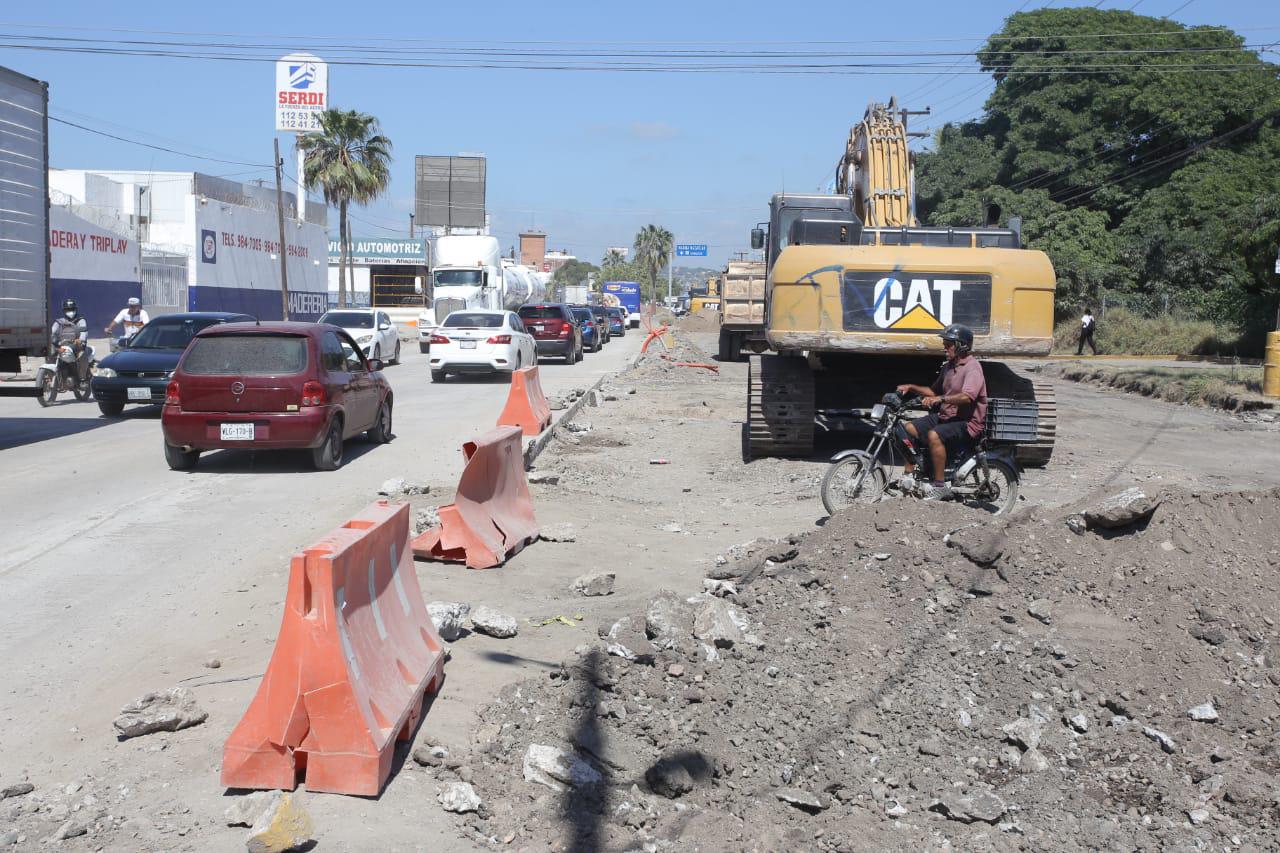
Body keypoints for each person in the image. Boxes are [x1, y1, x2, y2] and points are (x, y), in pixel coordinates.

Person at [895, 324, 988, 500]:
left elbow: (968, 397)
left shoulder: (972, 368)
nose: (944, 347)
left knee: (934, 435)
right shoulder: (948, 367)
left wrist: (941, 399)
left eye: (948, 344)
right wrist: (911, 387)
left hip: (967, 422)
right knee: (906, 430)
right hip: (947, 417)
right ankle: (909, 475)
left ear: (961, 345)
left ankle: (940, 486)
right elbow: (933, 391)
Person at [50, 297, 90, 381]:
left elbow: (84, 332)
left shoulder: (80, 320)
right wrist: (50, 338)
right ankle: (51, 374)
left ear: (75, 309)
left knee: (82, 355)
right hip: (62, 345)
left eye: (72, 309)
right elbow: (52, 332)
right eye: (68, 309)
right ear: (64, 311)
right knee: (50, 353)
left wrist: (80, 340)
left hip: (77, 346)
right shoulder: (59, 322)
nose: (70, 311)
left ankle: (82, 378)